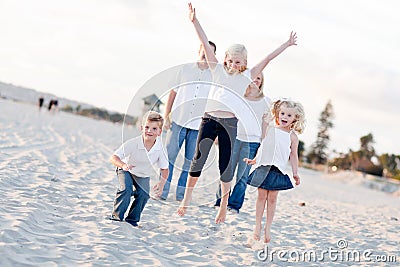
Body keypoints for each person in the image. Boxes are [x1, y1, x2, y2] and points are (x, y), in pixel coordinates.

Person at [177, 3, 298, 224]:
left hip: (229, 123)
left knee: (225, 165)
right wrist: (194, 21)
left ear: (244, 63)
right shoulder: (217, 69)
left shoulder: (248, 75)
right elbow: (205, 43)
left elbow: (268, 58)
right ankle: (186, 199)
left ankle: (223, 206)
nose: (233, 64)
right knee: (198, 159)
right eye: (230, 60)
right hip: (209, 119)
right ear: (225, 59)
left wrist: (287, 44)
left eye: (238, 61)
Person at [161, 41, 217, 201]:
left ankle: (180, 196)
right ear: (199, 50)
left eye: (210, 52)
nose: (206, 55)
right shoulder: (184, 69)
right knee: (169, 158)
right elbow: (172, 93)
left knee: (189, 163)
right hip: (178, 121)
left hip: (199, 126)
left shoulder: (214, 76)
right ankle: (163, 192)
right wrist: (166, 116)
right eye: (204, 51)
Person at [245, 99, 306, 243]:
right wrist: (254, 160)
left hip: (277, 170)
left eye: (289, 115)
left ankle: (268, 227)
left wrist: (295, 173)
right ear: (278, 113)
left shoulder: (292, 137)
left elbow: (293, 155)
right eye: (282, 113)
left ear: (295, 118)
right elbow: (263, 146)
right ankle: (257, 226)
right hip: (264, 167)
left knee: (272, 199)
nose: (284, 117)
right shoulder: (270, 129)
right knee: (261, 197)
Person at [214, 72, 271, 213]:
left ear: (262, 81)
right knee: (226, 172)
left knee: (242, 176)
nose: (255, 80)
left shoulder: (265, 101)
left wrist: (263, 144)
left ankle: (234, 205)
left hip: (252, 142)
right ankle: (220, 201)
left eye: (259, 78)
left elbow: (265, 124)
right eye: (253, 77)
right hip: (233, 138)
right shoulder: (238, 96)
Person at [109, 111, 169, 227]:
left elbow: (164, 169)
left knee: (144, 194)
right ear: (142, 128)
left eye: (154, 129)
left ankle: (132, 220)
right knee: (126, 190)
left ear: (160, 132)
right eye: (147, 127)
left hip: (142, 175)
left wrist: (161, 184)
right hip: (126, 169)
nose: (149, 131)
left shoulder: (160, 148)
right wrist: (123, 165)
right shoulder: (133, 143)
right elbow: (113, 157)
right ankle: (116, 217)